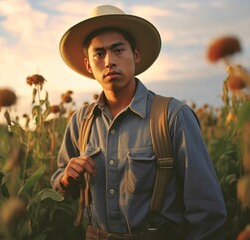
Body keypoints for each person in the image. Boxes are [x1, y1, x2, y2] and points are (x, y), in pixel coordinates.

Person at [51, 5, 226, 240]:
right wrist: (66, 178)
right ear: (88, 65)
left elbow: (207, 213)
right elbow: (59, 186)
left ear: (136, 55)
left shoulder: (172, 116)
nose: (109, 61)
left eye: (118, 50)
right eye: (99, 54)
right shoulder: (80, 121)